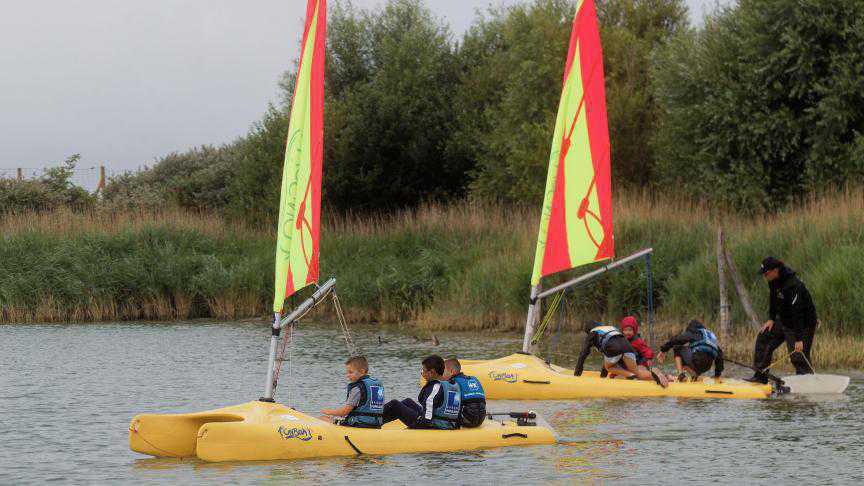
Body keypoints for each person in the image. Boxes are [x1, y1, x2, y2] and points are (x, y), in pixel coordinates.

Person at [745, 257, 818, 383]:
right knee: (764, 337)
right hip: (784, 320)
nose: (765, 276)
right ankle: (760, 377)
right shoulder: (773, 280)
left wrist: (799, 339)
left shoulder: (794, 285)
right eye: (763, 274)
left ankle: (807, 383)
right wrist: (771, 319)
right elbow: (773, 299)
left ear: (775, 270)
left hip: (802, 323)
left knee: (798, 356)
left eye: (766, 273)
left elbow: (798, 312)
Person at [575, 321, 667, 386]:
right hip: (628, 348)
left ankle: (630, 375)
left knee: (609, 367)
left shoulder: (592, 333)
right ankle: (658, 376)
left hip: (614, 348)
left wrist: (577, 375)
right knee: (638, 372)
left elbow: (583, 353)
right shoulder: (610, 328)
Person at [382, 355, 461, 430]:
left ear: (432, 372)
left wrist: (421, 422)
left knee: (394, 404)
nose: (422, 374)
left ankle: (374, 420)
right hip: (447, 422)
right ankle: (379, 421)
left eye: (424, 371)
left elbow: (428, 416)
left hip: (432, 424)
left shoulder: (435, 387)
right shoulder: (450, 384)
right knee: (408, 401)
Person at [320, 356, 385, 428]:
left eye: (350, 372)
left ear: (362, 371)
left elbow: (344, 412)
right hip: (376, 423)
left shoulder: (357, 388)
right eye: (347, 372)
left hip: (359, 424)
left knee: (323, 418)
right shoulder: (377, 385)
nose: (347, 375)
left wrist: (329, 412)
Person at [657, 320, 724, 382]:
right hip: (707, 366)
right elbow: (720, 356)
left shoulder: (694, 332)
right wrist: (717, 375)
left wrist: (663, 350)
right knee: (692, 354)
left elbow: (677, 339)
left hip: (697, 361)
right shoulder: (710, 338)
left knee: (677, 347)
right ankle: (694, 375)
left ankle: (681, 375)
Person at [443, 358, 486, 428]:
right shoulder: (474, 379)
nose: (441, 374)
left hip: (467, 420)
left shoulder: (453, 383)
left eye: (443, 371)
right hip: (481, 418)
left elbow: (451, 406)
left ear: (451, 371)